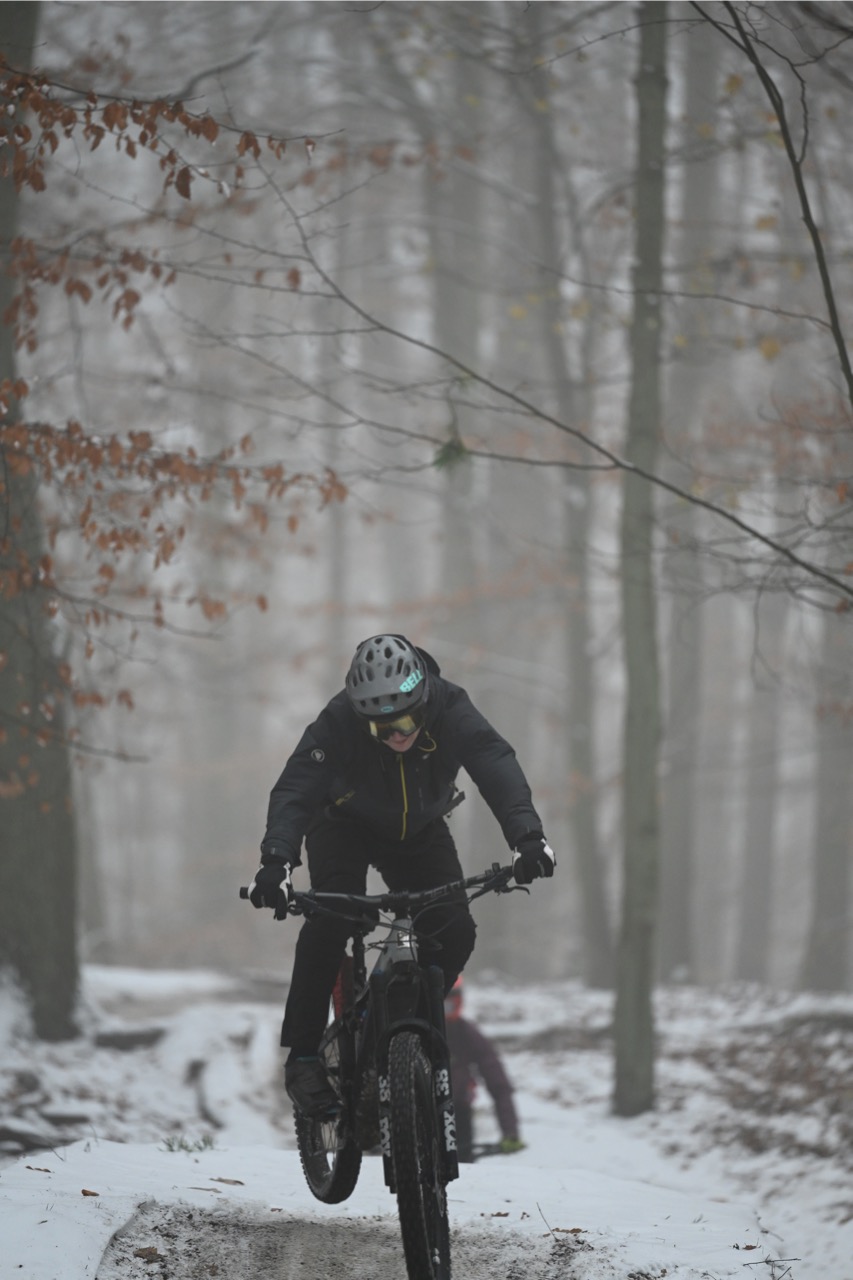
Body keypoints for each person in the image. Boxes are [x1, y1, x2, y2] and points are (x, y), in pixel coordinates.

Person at [247, 633, 555, 1117]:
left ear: (422, 698)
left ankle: (400, 1028)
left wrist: (527, 838)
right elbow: (296, 790)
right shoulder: (338, 720)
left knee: (454, 929)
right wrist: (276, 862)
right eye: (382, 727)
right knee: (332, 919)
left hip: (418, 832)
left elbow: (495, 763)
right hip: (341, 824)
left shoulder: (451, 707)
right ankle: (303, 1057)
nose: (396, 736)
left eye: (406, 722)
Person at [444, 978, 524, 1161]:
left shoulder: (466, 1033)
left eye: (450, 1000)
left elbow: (498, 1082)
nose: (444, 1006)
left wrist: (510, 1132)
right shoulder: (409, 1034)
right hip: (416, 1114)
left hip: (458, 1114)